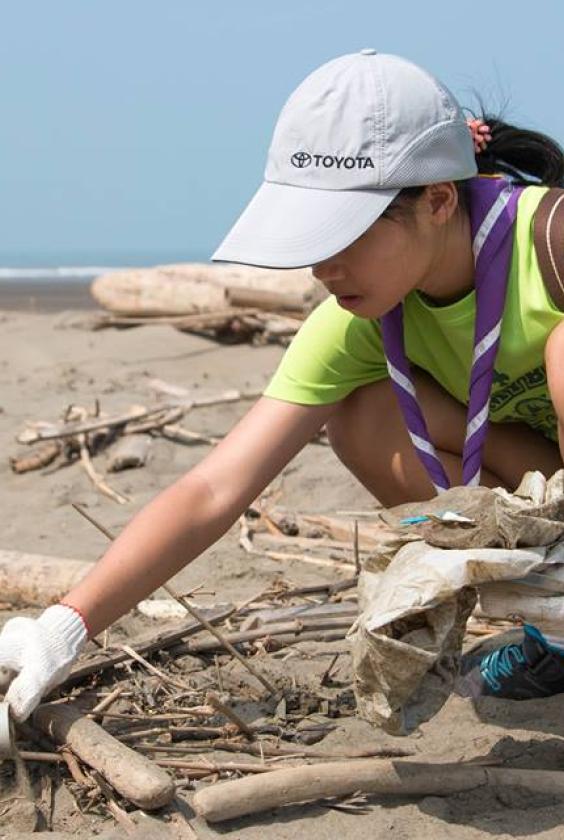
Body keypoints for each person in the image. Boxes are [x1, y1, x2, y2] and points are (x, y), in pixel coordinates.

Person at [3, 50, 564, 719]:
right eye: (310, 237)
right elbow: (213, 489)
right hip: (540, 496)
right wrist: (63, 629)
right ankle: (554, 629)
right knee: (360, 417)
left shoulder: (552, 243)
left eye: (343, 235)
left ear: (439, 199)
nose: (322, 266)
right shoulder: (357, 321)